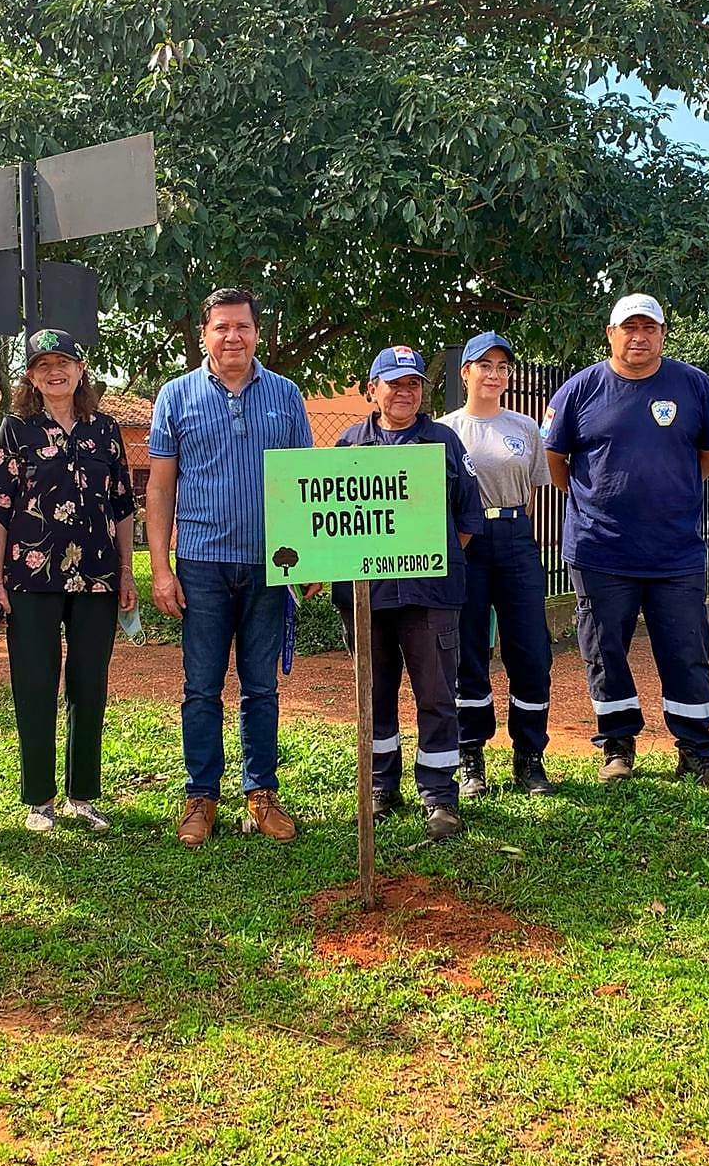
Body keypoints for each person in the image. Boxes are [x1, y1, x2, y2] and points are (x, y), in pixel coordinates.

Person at [543, 293, 709, 791]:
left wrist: (668, 491)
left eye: (648, 327)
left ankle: (696, 751)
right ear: (610, 334)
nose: (639, 336)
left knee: (686, 649)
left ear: (662, 333)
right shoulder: (580, 389)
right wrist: (597, 499)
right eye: (628, 328)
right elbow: (556, 460)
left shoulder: (693, 385)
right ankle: (617, 745)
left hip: (675, 551)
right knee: (604, 649)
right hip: (599, 549)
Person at [146, 288, 317, 849]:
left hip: (271, 565)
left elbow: (304, 483)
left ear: (257, 333)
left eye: (242, 326)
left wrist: (308, 556)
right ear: (204, 335)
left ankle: (261, 794)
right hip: (200, 564)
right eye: (221, 327)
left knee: (260, 687)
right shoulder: (175, 397)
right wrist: (161, 567)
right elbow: (161, 485)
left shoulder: (287, 397)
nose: (232, 337)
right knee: (200, 688)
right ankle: (201, 796)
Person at [0, 329, 138, 832]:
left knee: (88, 684)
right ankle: (39, 799)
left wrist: (126, 569)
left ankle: (83, 795)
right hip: (30, 577)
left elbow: (121, 504)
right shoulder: (16, 429)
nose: (55, 371)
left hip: (96, 575)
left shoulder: (106, 429)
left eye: (64, 362)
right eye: (43, 364)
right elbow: (0, 505)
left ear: (81, 369)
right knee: (34, 683)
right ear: (30, 375)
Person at [334, 345, 484, 840]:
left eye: (414, 383)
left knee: (437, 694)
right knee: (373, 694)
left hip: (431, 595)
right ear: (372, 389)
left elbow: (465, 517)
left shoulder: (443, 442)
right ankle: (381, 787)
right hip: (366, 596)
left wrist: (426, 557)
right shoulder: (350, 446)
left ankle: (440, 795)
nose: (405, 392)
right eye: (394, 383)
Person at [438, 331, 555, 797]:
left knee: (531, 650)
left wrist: (512, 532)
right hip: (467, 544)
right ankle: (471, 756)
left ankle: (529, 757)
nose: (494, 373)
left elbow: (529, 494)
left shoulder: (524, 428)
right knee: (468, 653)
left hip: (515, 540)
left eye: (502, 366)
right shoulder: (447, 431)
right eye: (483, 365)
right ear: (465, 372)